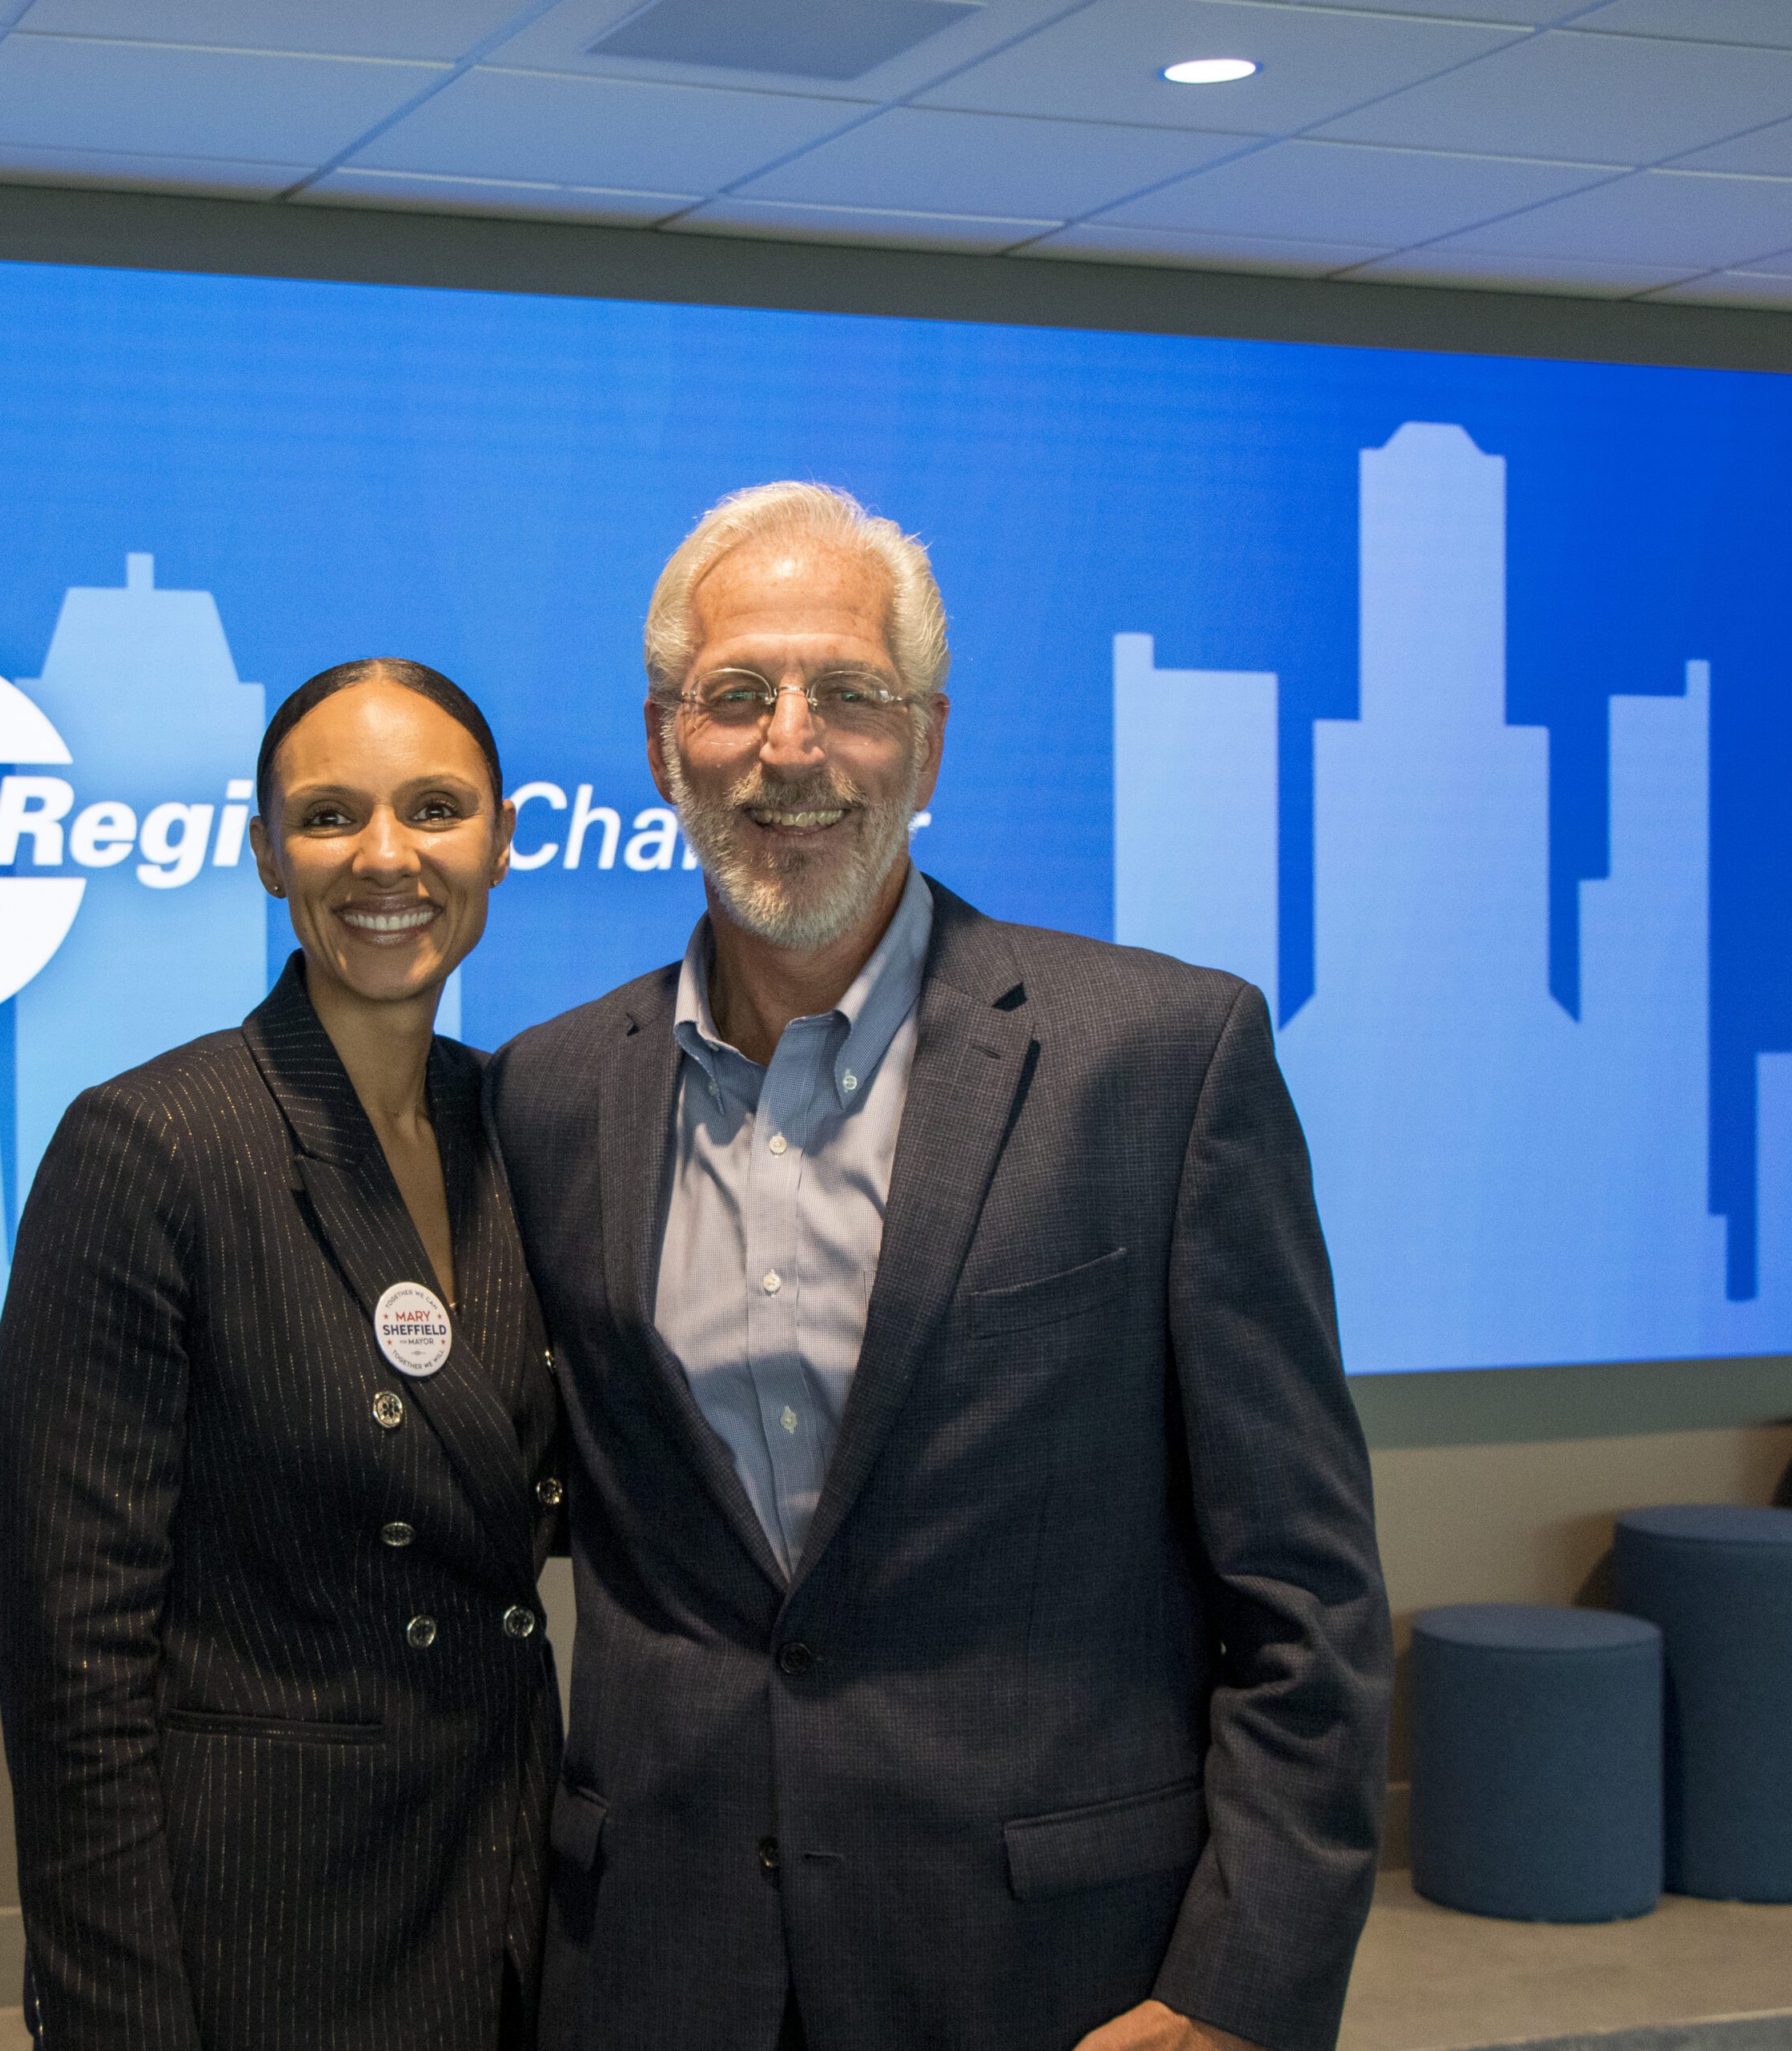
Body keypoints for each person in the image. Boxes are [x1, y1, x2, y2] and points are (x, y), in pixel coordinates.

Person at [489, 485, 1391, 2051]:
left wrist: (1241, 1985)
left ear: (927, 744)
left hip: (1055, 1978)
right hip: (659, 1963)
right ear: (661, 744)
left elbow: (1303, 1588)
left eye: (848, 694)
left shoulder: (1161, 1061)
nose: (791, 746)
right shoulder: (552, 1094)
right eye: (737, 696)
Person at [0, 658, 563, 2051]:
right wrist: (120, 2012)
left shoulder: (523, 1127)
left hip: (511, 1895)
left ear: (502, 837)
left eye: (434, 809)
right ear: (262, 853)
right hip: (269, 1933)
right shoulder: (151, 1146)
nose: (386, 858)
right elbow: (76, 1659)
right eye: (327, 817)